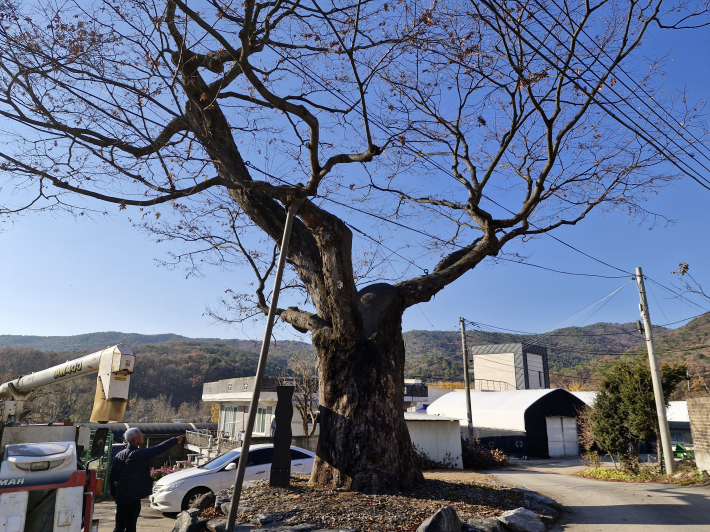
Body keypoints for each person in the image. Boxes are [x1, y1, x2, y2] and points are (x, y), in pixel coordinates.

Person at [109, 428, 185, 532]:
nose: (143, 437)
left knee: (119, 526)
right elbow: (159, 448)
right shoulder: (140, 454)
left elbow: (111, 476)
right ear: (135, 441)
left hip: (121, 496)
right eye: (141, 436)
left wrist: (114, 494)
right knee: (131, 525)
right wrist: (175, 440)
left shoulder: (119, 455)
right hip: (133, 496)